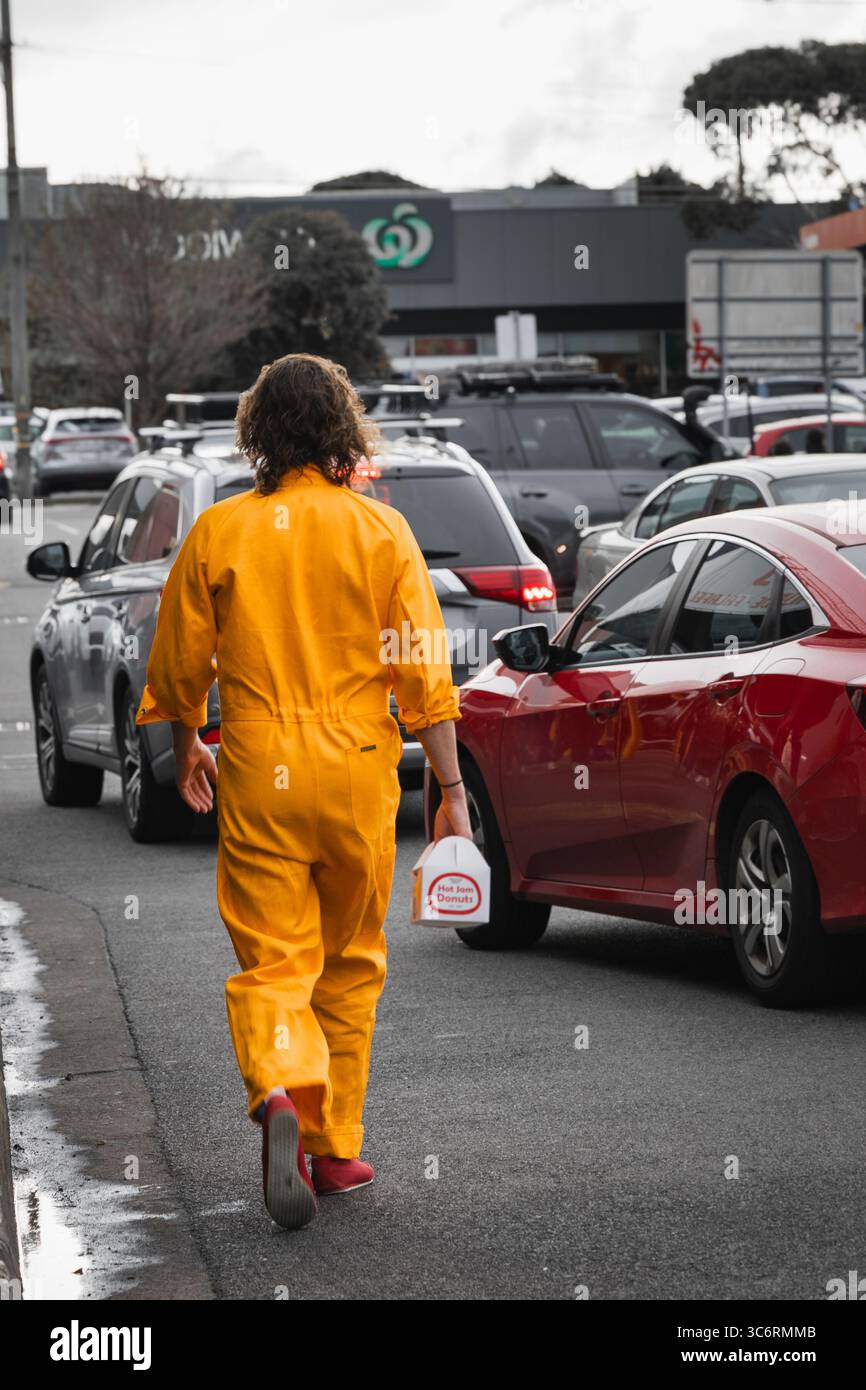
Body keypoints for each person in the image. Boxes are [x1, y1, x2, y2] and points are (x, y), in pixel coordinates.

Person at [137, 353, 471, 1230]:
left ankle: (280, 1093)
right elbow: (423, 672)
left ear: (258, 434)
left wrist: (185, 742)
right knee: (352, 963)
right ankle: (334, 1150)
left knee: (276, 961)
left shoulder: (221, 530)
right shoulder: (381, 532)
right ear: (341, 432)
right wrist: (451, 789)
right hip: (361, 767)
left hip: (262, 767)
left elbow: (179, 657)